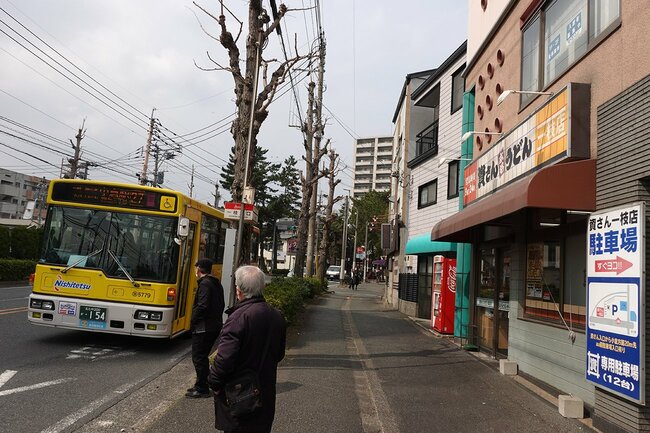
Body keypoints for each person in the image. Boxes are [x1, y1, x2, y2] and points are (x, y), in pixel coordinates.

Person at [209, 265, 287, 433]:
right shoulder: (276, 315)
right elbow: (279, 354)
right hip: (265, 392)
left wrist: (213, 382)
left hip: (240, 395)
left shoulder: (238, 318)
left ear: (239, 290)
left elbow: (224, 360)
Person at [186, 258, 225, 398]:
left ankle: (202, 388)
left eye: (196, 268)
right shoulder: (216, 283)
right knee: (202, 357)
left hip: (204, 327)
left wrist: (192, 320)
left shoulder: (205, 284)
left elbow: (202, 306)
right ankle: (205, 382)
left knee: (199, 357)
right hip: (214, 325)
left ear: (199, 269)